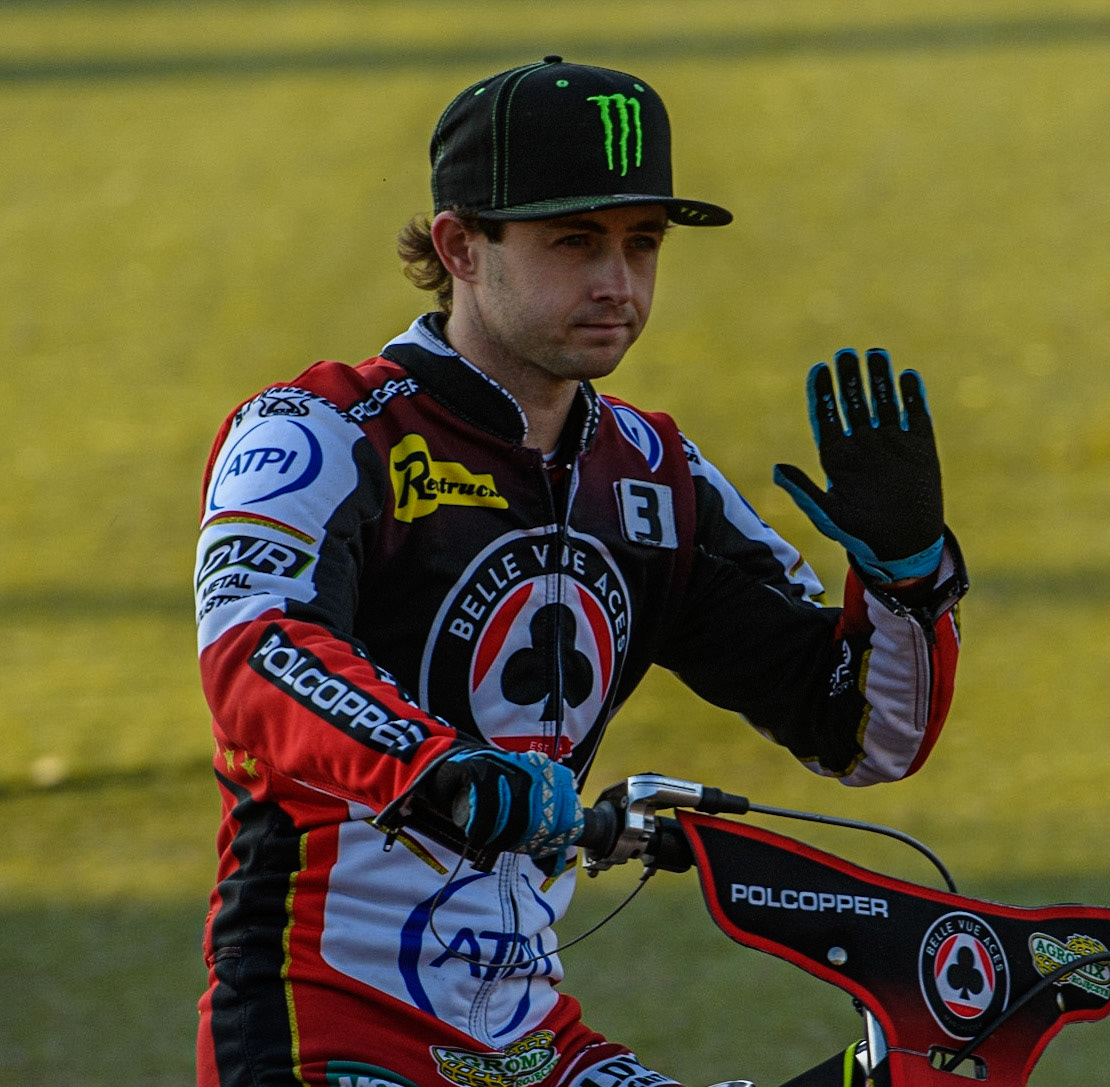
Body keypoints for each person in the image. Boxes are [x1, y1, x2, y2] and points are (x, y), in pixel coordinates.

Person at [192, 56, 969, 1087]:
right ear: (459, 246)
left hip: (529, 1041)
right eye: (574, 242)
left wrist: (908, 579)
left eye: (641, 244)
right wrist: (438, 769)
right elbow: (255, 653)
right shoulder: (320, 432)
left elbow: (866, 735)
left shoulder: (654, 474)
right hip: (325, 1033)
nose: (618, 281)